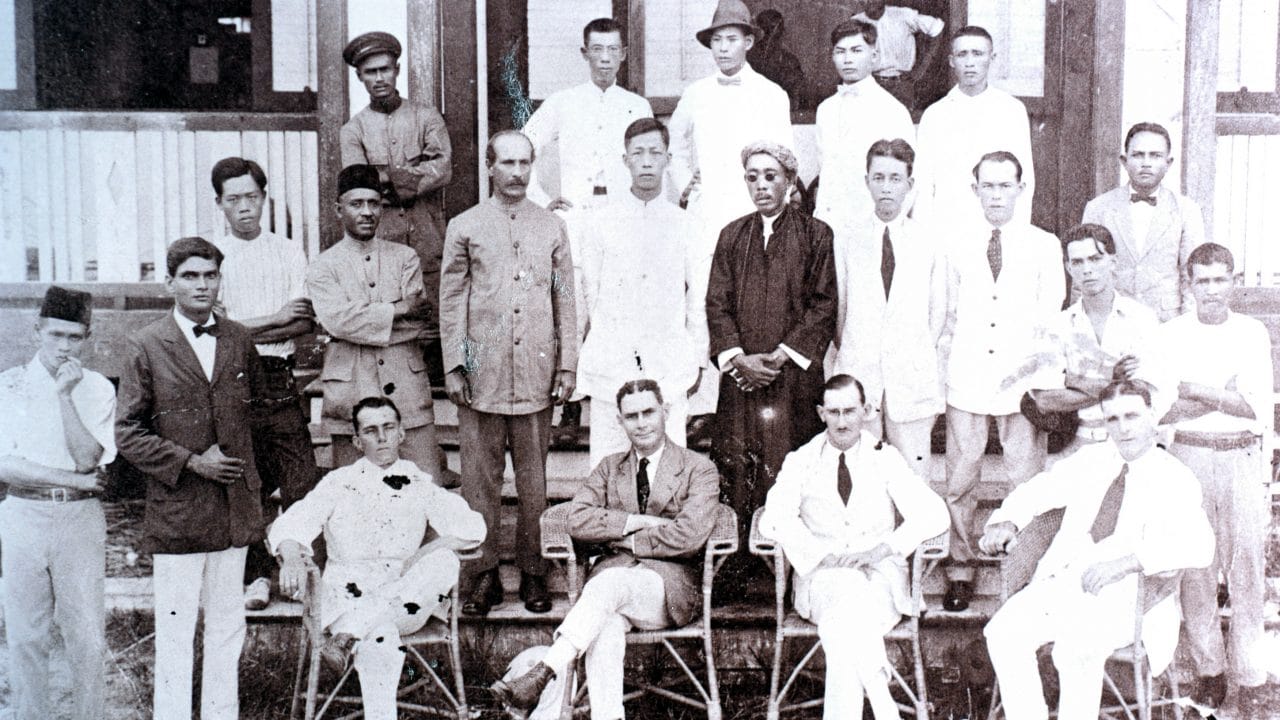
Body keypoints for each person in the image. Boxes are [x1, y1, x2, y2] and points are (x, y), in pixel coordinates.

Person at [979, 380, 1214, 720]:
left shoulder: (1174, 477)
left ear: (1152, 416)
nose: (1123, 428)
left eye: (1131, 416)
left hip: (1133, 594)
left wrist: (1129, 562)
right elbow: (1039, 490)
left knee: (1075, 650)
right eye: (1112, 419)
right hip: (1068, 581)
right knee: (1002, 633)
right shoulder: (1091, 460)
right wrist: (1006, 521)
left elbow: (1199, 545)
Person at [490, 379, 720, 719]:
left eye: (648, 412)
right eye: (631, 416)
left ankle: (542, 673)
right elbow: (576, 518)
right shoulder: (609, 468)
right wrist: (633, 522)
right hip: (608, 593)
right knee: (606, 627)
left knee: (609, 584)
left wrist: (623, 540)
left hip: (667, 589)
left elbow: (689, 535)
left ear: (665, 412)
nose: (641, 423)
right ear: (620, 421)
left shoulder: (698, 468)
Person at [115, 237, 268, 720]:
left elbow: (259, 419)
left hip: (233, 511)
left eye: (210, 275)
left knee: (228, 626)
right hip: (180, 510)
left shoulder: (240, 339)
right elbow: (127, 433)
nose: (202, 285)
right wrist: (190, 461)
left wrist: (253, 485)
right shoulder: (145, 345)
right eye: (190, 276)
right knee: (178, 632)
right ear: (170, 284)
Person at [269, 396, 485, 720]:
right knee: (380, 638)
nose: (382, 437)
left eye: (389, 427)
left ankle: (348, 635)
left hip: (405, 599)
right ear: (357, 441)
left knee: (445, 561)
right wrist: (291, 557)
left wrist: (426, 552)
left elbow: (473, 528)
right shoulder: (338, 483)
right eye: (371, 431)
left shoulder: (417, 482)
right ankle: (359, 638)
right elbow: (290, 524)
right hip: (346, 596)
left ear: (401, 434)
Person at [439, 130, 578, 617]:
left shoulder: (551, 227)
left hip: (536, 376)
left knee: (534, 482)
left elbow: (565, 300)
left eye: (525, 163)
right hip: (482, 376)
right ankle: (482, 576)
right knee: (479, 483)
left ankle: (536, 571)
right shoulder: (466, 226)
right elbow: (452, 299)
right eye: (508, 163)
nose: (517, 173)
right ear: (490, 167)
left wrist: (566, 365)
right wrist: (455, 364)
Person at [760, 374, 949, 720]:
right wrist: (822, 556)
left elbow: (934, 514)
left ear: (866, 411)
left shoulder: (885, 458)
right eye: (834, 412)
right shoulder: (801, 460)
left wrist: (883, 549)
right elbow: (772, 519)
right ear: (821, 414)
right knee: (844, 597)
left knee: (840, 629)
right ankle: (882, 699)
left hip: (879, 581)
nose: (843, 421)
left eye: (850, 411)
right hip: (821, 580)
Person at [706, 141, 838, 593]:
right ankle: (740, 565)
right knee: (739, 468)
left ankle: (787, 566)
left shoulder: (816, 235)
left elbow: (823, 306)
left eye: (771, 176)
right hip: (742, 380)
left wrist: (780, 357)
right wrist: (737, 359)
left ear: (789, 181)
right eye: (753, 177)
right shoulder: (731, 236)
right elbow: (717, 305)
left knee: (789, 465)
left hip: (792, 382)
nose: (761, 186)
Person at [939, 151, 1063, 612]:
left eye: (1003, 186)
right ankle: (960, 570)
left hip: (1021, 384)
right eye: (987, 186)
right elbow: (947, 316)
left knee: (1025, 481)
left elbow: (1050, 321)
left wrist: (1042, 389)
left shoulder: (1042, 245)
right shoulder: (955, 243)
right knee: (961, 480)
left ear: (1020, 188)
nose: (995, 195)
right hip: (967, 378)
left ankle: (1023, 569)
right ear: (975, 191)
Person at [521, 16, 653, 444]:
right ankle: (570, 405)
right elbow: (524, 145)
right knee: (574, 310)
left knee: (617, 305)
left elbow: (650, 160)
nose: (604, 58)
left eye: (612, 50)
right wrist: (544, 201)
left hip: (621, 218)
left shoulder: (636, 106)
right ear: (584, 53)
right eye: (596, 49)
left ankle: (625, 399)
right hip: (576, 218)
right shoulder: (564, 102)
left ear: (623, 55)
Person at [1159, 243, 1273, 710]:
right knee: (1196, 569)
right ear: (1188, 283)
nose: (1211, 290)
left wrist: (1198, 390)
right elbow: (1165, 407)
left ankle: (1249, 674)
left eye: (1219, 279)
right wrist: (1223, 393)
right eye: (1201, 280)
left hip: (1240, 457)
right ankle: (1209, 670)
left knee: (1246, 565)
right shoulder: (1169, 336)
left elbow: (1255, 408)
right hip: (1188, 456)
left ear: (1234, 281)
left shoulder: (1251, 333)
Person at [667, 0, 793, 420]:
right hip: (707, 215)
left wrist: (769, 204)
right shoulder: (695, 94)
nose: (724, 48)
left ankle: (745, 396)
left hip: (752, 214)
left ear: (749, 42)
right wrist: (686, 185)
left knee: (750, 302)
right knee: (704, 301)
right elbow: (676, 144)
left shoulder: (771, 95)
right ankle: (700, 402)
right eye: (717, 40)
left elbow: (783, 157)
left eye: (732, 39)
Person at [208, 156, 319, 610]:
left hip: (277, 375)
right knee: (247, 479)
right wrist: (273, 318)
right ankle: (256, 576)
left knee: (300, 477)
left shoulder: (289, 250)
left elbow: (301, 323)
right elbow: (216, 332)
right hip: (232, 378)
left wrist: (245, 326)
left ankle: (300, 570)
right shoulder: (213, 258)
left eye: (252, 197)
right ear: (220, 204)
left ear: (264, 198)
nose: (245, 208)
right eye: (234, 200)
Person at [0, 287, 114, 720]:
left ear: (87, 338)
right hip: (22, 514)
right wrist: (73, 479)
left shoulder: (97, 387)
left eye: (74, 338)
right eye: (55, 335)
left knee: (85, 636)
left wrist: (66, 394)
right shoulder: (8, 385)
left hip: (78, 519)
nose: (64, 347)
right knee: (27, 634)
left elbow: (89, 457)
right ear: (36, 332)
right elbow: (6, 467)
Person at [306, 164, 450, 481]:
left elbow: (418, 322)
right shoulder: (323, 266)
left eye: (374, 203)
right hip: (350, 388)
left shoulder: (405, 257)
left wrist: (359, 318)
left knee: (426, 484)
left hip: (406, 386)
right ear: (338, 209)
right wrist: (397, 310)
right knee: (354, 490)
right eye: (357, 204)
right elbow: (336, 321)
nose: (367, 212)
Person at [577, 118, 707, 467]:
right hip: (613, 362)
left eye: (655, 152)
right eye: (638, 153)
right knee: (608, 463)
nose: (647, 161)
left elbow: (697, 299)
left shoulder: (686, 224)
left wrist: (696, 357)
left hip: (668, 361)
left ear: (667, 159)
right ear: (625, 160)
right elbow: (591, 293)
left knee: (667, 467)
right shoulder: (601, 222)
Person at [340, 31, 453, 376]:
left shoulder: (426, 117)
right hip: (382, 238)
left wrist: (387, 177)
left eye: (385, 70)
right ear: (359, 77)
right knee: (390, 311)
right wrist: (412, 174)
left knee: (432, 314)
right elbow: (361, 185)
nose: (379, 79)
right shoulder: (353, 131)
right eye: (370, 72)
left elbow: (443, 168)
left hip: (428, 235)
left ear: (397, 69)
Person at [832, 139, 944, 478]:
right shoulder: (847, 238)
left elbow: (936, 315)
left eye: (895, 178)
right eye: (878, 178)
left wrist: (910, 353)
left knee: (913, 480)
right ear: (867, 181)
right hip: (860, 373)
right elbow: (840, 310)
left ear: (909, 184)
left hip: (911, 379)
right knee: (861, 477)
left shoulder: (929, 241)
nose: (886, 188)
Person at [1026, 224, 1167, 454]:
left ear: (1113, 262)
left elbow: (1144, 392)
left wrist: (1074, 380)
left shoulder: (1142, 319)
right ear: (1069, 268)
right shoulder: (1056, 327)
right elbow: (1045, 400)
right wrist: (1113, 381)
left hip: (1132, 444)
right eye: (1078, 262)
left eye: (1095, 259)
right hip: (1076, 444)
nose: (1087, 269)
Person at [1081, 122, 1205, 321]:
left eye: (1155, 156)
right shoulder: (1099, 208)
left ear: (1168, 162)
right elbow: (1084, 272)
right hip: (1113, 321)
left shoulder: (1187, 210)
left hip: (1165, 323)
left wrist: (1186, 328)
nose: (1146, 163)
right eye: (1138, 155)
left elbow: (1191, 276)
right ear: (1124, 160)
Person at [915, 26, 1036, 228]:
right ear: (952, 61)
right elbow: (923, 183)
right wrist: (925, 235)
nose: (970, 63)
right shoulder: (935, 115)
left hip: (995, 226)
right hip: (947, 225)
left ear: (992, 57)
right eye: (962, 54)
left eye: (978, 54)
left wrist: (1016, 231)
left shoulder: (1011, 110)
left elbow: (1024, 178)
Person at [812, 19, 915, 247]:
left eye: (856, 50)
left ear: (874, 56)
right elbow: (825, 169)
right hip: (827, 226)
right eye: (840, 51)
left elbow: (905, 178)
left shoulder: (891, 110)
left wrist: (887, 230)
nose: (847, 59)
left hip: (869, 230)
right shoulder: (825, 109)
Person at [853, 0, 946, 113]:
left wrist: (923, 66)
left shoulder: (902, 15)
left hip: (901, 85)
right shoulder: (856, 22)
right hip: (871, 83)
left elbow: (936, 27)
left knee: (903, 125)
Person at [745, 8, 806, 110]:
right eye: (774, 28)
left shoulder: (790, 60)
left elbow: (795, 100)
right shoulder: (748, 56)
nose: (782, 31)